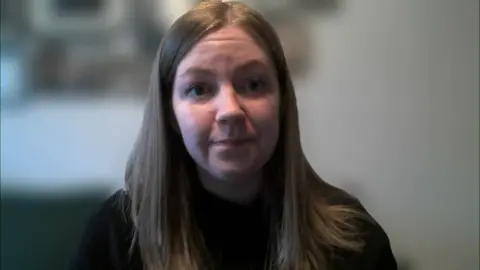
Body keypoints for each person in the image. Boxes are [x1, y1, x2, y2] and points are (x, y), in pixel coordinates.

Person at [72, 1, 398, 269]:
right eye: (199, 88)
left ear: (282, 104)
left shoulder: (354, 240)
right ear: (170, 115)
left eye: (253, 84)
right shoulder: (116, 236)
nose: (230, 110)